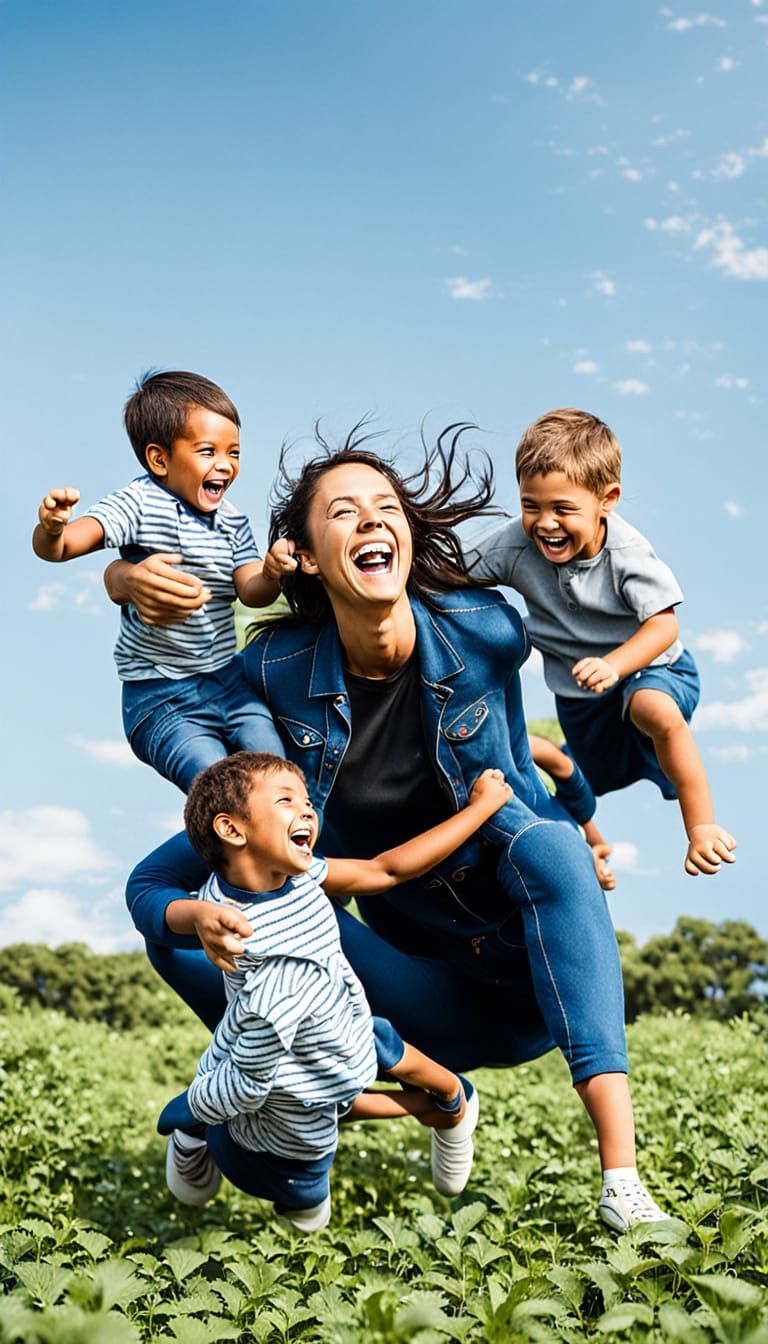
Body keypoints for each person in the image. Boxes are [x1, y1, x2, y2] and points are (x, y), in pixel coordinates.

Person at [114, 424, 667, 1232]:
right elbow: (160, 849)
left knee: (546, 845)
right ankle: (293, 1095)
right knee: (191, 942)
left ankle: (623, 1181)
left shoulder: (485, 628)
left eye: (385, 507)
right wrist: (122, 575)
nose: (371, 519)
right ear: (305, 556)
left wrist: (584, 815)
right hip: (415, 993)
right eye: (343, 511)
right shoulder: (274, 672)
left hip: (538, 973)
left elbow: (581, 586)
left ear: (406, 535)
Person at [159, 750, 512, 1230]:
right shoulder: (248, 943)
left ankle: (453, 1103)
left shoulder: (298, 875)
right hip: (281, 1057)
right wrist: (194, 1106)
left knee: (389, 1059)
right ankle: (200, 1130)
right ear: (232, 830)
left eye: (306, 801)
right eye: (286, 800)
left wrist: (482, 807)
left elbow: (386, 870)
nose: (307, 810)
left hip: (346, 1021)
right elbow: (247, 1079)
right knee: (306, 1198)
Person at [469, 408, 736, 879]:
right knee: (575, 775)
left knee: (654, 709)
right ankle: (582, 849)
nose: (546, 523)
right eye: (531, 506)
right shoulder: (511, 545)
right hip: (582, 697)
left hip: (653, 667)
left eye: (563, 509)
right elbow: (446, 575)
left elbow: (664, 627)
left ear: (606, 499)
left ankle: (701, 827)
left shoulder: (627, 555)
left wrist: (615, 665)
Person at [32, 370, 295, 792]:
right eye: (208, 451)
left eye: (234, 452)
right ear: (160, 459)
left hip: (228, 682)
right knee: (218, 785)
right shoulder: (138, 503)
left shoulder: (232, 521)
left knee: (276, 772)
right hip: (160, 695)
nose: (225, 465)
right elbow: (61, 549)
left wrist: (272, 572)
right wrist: (52, 528)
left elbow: (251, 591)